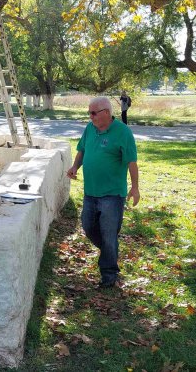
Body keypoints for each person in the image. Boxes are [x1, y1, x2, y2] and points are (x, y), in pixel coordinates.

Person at [66, 97, 140, 288]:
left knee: (108, 234)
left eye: (93, 113)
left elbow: (132, 161)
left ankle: (109, 274)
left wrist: (135, 187)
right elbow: (82, 150)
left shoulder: (123, 132)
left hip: (112, 194)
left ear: (106, 112)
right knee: (88, 227)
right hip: (90, 191)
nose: (90, 117)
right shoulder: (90, 128)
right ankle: (110, 251)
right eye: (89, 113)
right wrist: (75, 166)